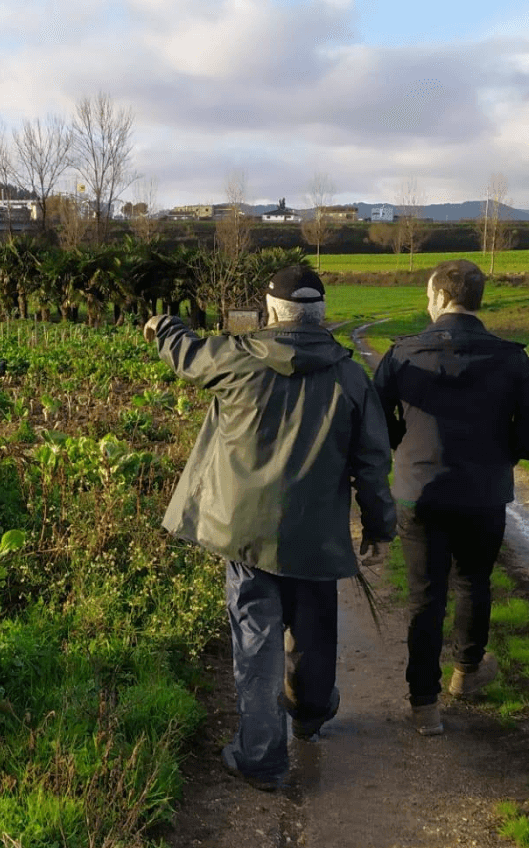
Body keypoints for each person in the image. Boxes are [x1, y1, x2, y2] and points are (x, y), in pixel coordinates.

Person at [144, 263, 396, 791]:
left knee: (256, 641)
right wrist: (378, 528)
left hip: (246, 535)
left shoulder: (238, 360)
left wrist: (163, 325)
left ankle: (261, 758)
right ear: (321, 316)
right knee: (315, 630)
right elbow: (372, 463)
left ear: (273, 312)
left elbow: (185, 353)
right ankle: (307, 717)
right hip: (317, 536)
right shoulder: (351, 378)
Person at [371, 259, 529, 736]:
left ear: (436, 298)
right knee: (473, 581)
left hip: (419, 493)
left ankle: (424, 705)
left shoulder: (403, 354)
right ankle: (467, 673)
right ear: (478, 300)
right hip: (483, 492)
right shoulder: (512, 358)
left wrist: (402, 445)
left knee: (424, 596)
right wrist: (503, 454)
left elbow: (374, 421)